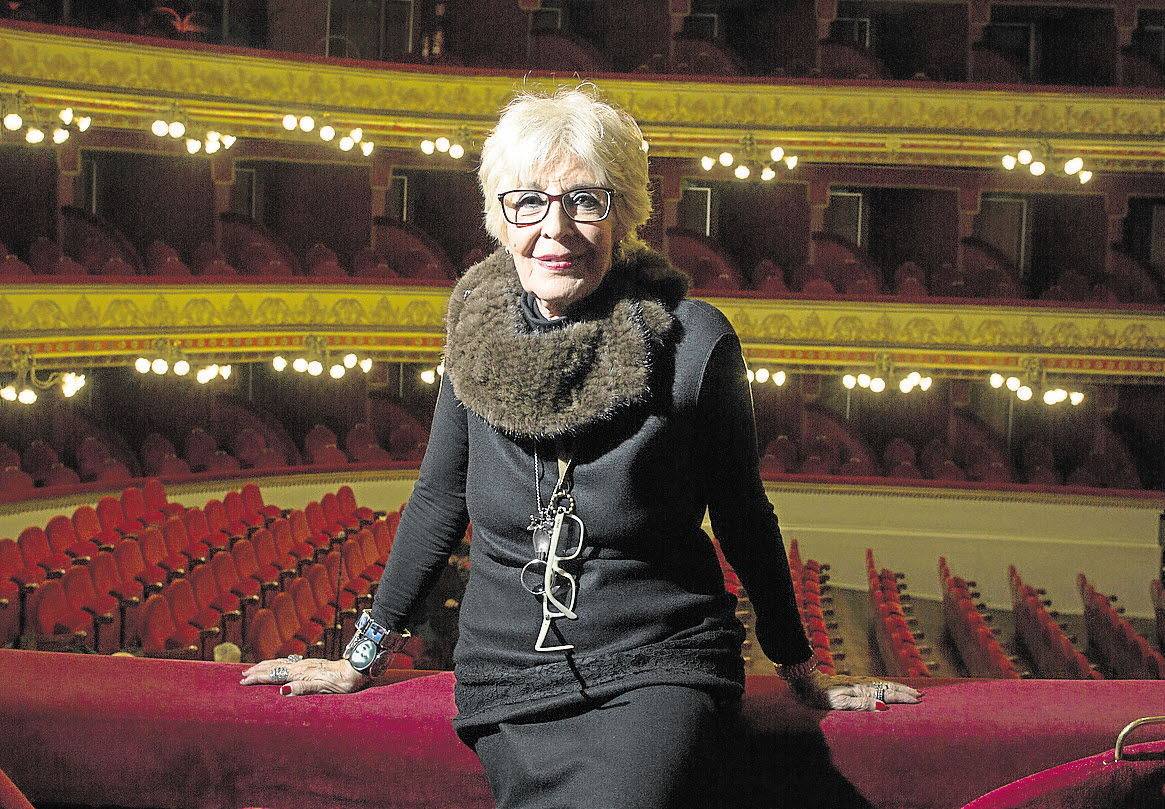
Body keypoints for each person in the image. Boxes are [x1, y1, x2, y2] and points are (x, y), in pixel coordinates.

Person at [242, 85, 921, 807]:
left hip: (656, 666)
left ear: (623, 214)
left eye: (585, 200)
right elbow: (439, 498)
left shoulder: (695, 342)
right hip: (504, 674)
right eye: (526, 201)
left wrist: (797, 669)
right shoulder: (475, 336)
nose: (554, 229)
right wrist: (362, 655)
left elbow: (744, 516)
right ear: (499, 219)